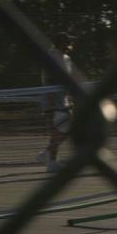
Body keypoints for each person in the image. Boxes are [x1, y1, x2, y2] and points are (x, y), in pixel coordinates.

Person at [39, 34, 75, 167]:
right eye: (67, 41)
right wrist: (51, 102)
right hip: (53, 99)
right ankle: (52, 162)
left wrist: (69, 99)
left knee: (69, 128)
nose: (70, 44)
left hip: (64, 100)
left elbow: (68, 80)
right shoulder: (52, 56)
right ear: (61, 43)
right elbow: (49, 80)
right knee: (56, 131)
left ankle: (46, 153)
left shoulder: (67, 59)